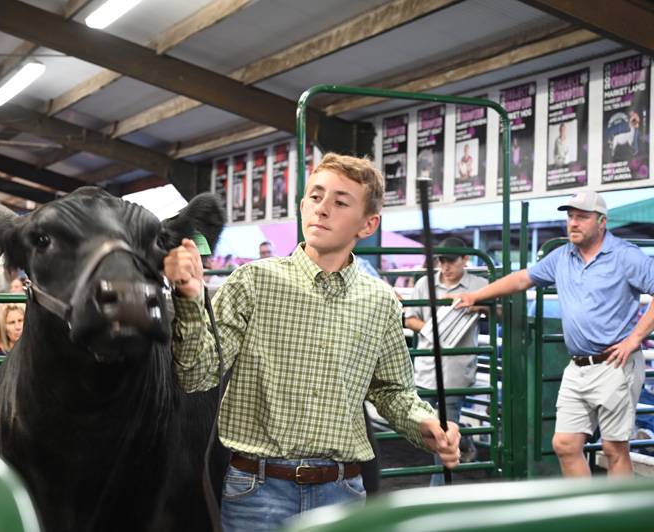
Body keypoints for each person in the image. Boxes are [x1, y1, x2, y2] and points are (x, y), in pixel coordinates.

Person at [164, 152, 460, 530]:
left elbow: (393, 391)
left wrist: (426, 425)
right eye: (316, 196)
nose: (322, 209)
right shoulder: (251, 283)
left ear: (368, 224)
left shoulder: (381, 301)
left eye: (340, 202)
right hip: (256, 490)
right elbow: (197, 376)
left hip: (344, 490)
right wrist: (189, 299)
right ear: (303, 204)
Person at [456, 191, 654, 477]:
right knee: (564, 443)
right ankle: (586, 515)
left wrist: (634, 339)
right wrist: (476, 294)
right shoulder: (562, 256)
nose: (573, 223)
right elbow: (523, 278)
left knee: (613, 449)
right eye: (570, 216)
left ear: (601, 222)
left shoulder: (626, 256)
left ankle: (612, 518)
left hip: (616, 363)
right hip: (577, 365)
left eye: (582, 217)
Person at [404, 236, 487, 485]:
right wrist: (432, 331)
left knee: (443, 432)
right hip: (427, 369)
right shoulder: (423, 284)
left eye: (450, 261)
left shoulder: (479, 285)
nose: (445, 266)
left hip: (457, 371)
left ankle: (438, 488)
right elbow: (409, 317)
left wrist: (480, 306)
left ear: (465, 259)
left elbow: (504, 309)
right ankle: (464, 439)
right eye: (442, 261)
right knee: (431, 425)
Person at [0, 303, 25, 378]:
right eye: (12, 322)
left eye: (21, 320)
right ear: (3, 328)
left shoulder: (38, 355)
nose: (17, 327)